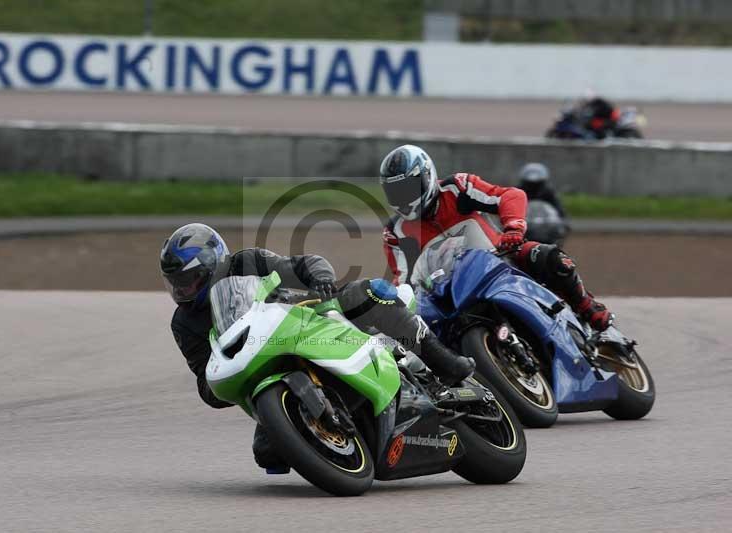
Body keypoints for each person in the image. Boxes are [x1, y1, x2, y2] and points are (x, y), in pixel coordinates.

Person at [160, 223, 474, 472]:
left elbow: (298, 264)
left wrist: (320, 278)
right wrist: (217, 382)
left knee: (369, 293)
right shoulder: (184, 323)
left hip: (305, 318)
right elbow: (203, 376)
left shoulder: (245, 262)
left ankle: (442, 360)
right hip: (262, 366)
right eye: (175, 283)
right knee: (268, 455)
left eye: (189, 280)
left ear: (213, 265)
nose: (181, 291)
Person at [379, 144, 613, 331]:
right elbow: (404, 280)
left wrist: (513, 229)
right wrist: (393, 305)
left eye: (408, 189)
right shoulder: (396, 232)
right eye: (396, 192)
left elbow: (509, 195)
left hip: (499, 258)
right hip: (449, 290)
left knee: (549, 257)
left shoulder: (457, 187)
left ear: (427, 176)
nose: (404, 198)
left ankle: (586, 305)